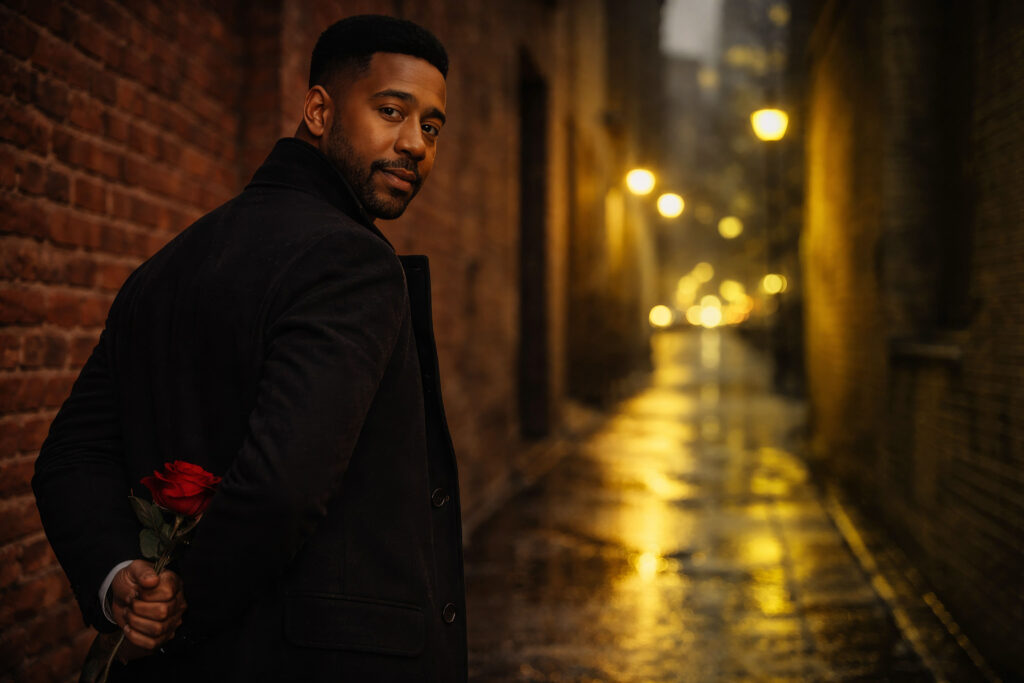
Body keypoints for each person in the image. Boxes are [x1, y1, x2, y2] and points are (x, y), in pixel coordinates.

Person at [32, 14, 466, 682]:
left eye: (431, 126)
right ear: (319, 110)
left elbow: (70, 457)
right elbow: (281, 488)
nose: (414, 144)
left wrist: (120, 578)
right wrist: (176, 608)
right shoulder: (352, 262)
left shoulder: (166, 266)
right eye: (390, 111)